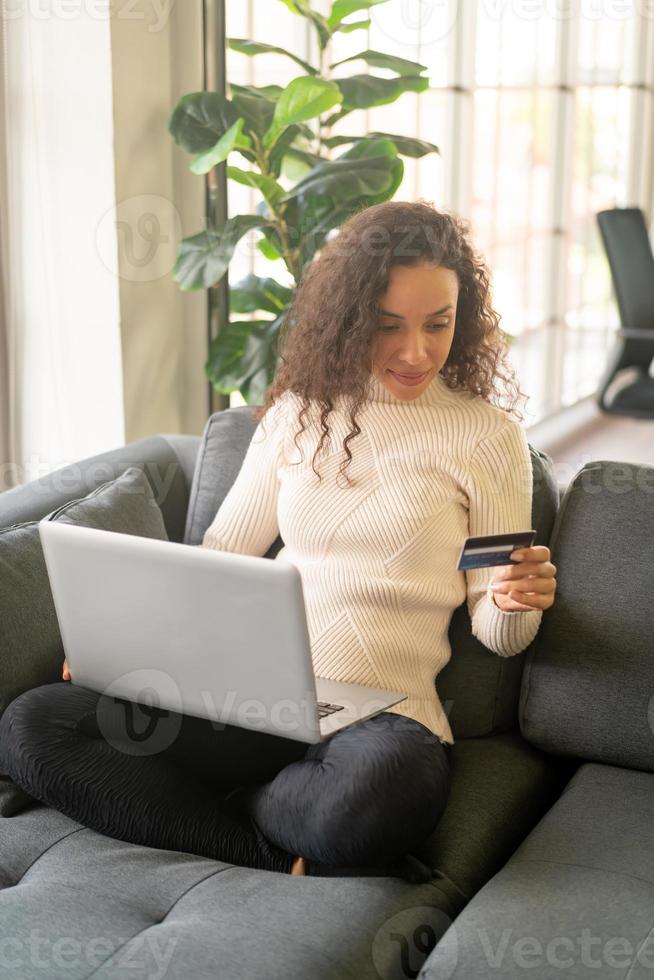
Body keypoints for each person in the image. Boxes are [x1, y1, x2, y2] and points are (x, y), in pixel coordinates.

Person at [0, 200, 557, 882]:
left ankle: (215, 813)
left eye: (438, 324)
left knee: (380, 794)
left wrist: (513, 598)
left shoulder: (487, 439)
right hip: (245, 701)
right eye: (388, 327)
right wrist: (126, 645)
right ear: (350, 321)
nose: (417, 352)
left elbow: (499, 631)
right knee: (35, 724)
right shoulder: (297, 415)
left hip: (380, 722)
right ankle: (265, 846)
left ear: (461, 319)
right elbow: (221, 559)